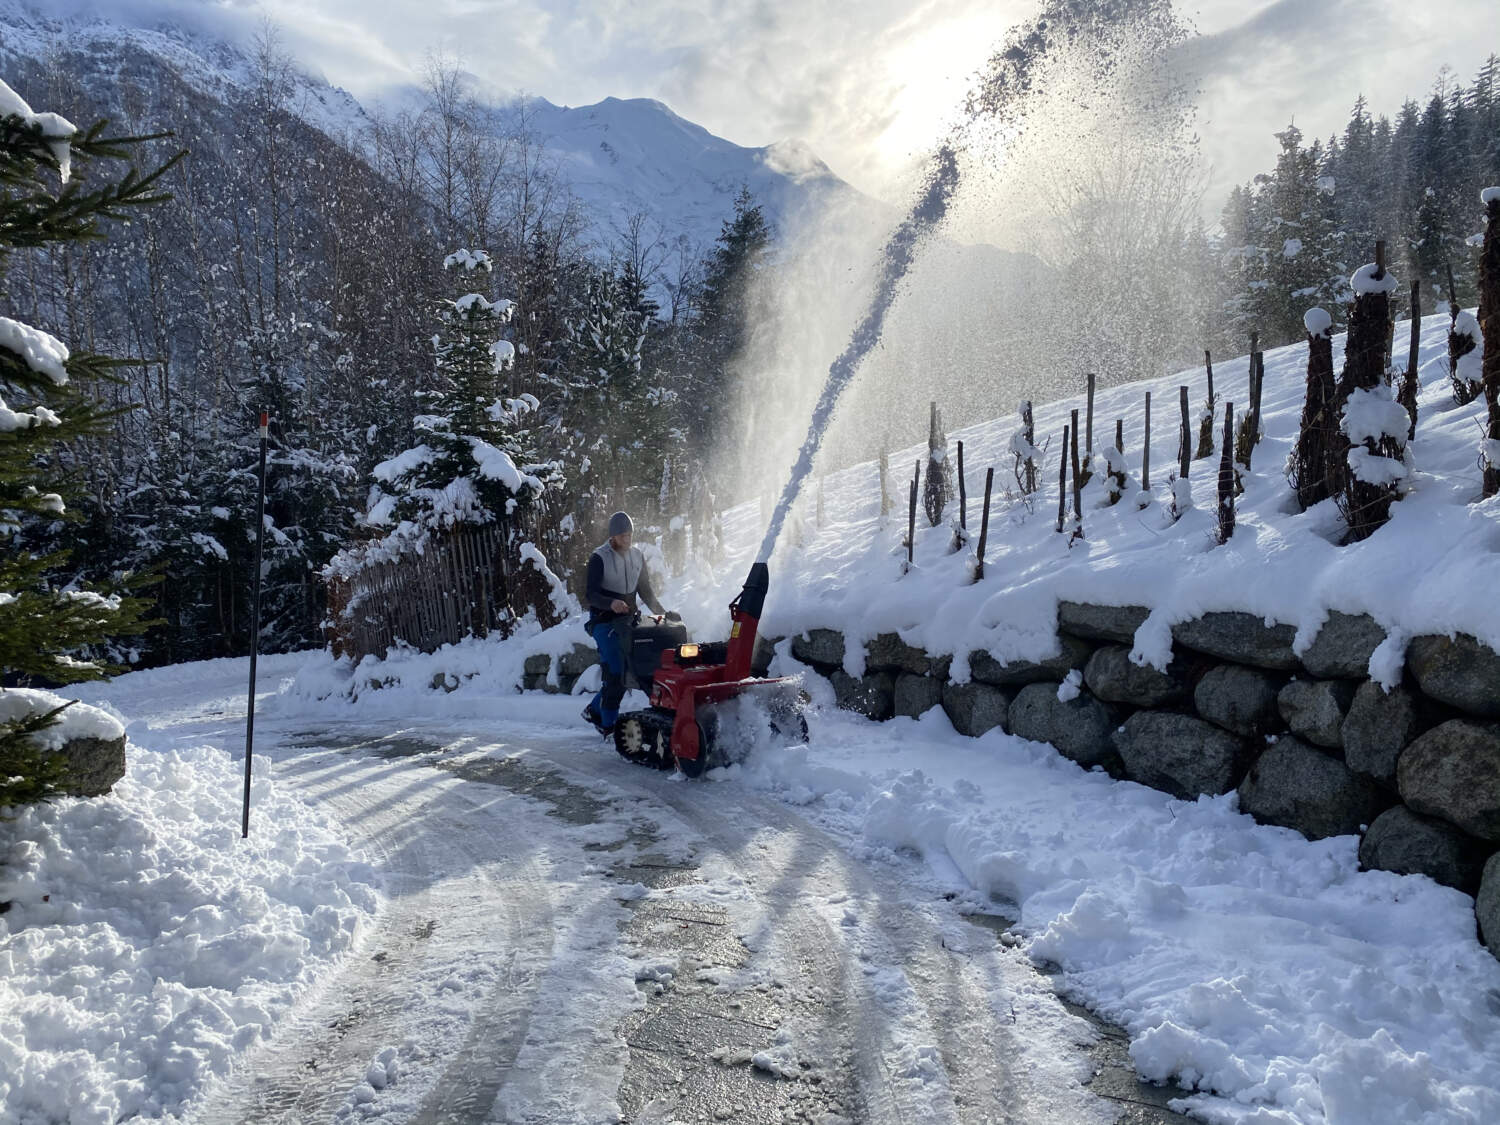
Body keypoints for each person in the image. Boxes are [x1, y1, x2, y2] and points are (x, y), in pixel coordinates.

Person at [582, 511, 668, 734]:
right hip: (604, 621)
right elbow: (590, 594)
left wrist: (663, 613)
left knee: (636, 669)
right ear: (612, 536)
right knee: (616, 672)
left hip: (628, 619)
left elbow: (646, 591)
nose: (627, 540)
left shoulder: (637, 556)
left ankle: (593, 710)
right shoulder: (599, 558)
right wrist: (611, 603)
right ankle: (608, 726)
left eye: (630, 535)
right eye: (622, 536)